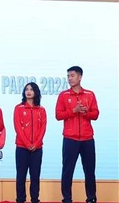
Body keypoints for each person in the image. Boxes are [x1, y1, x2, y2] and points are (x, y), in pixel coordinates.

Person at [55, 66, 99, 203]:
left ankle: (91, 198)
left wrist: (85, 112)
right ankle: (67, 198)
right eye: (68, 76)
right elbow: (58, 115)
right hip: (70, 139)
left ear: (80, 77)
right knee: (67, 170)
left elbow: (96, 114)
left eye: (72, 76)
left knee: (89, 171)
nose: (69, 78)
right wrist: (74, 110)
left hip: (87, 139)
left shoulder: (90, 95)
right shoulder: (63, 95)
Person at [13, 82, 47, 203]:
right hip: (22, 147)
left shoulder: (41, 110)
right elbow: (18, 127)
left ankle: (34, 199)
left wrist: (36, 144)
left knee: (35, 176)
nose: (28, 91)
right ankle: (20, 199)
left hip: (37, 148)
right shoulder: (18, 108)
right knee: (21, 176)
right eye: (26, 89)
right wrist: (27, 144)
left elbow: (43, 128)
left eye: (31, 89)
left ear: (36, 92)